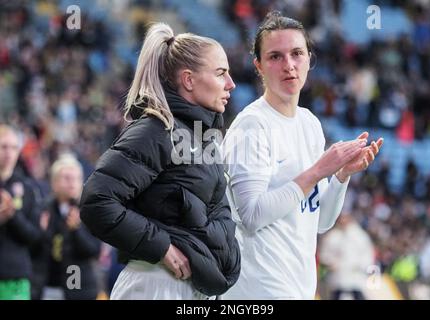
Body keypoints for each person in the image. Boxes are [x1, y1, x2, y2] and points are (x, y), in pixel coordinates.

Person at [221, 11, 383, 300]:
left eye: (297, 53)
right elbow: (251, 216)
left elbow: (320, 221)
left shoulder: (309, 124)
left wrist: (341, 176)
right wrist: (318, 171)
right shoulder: (252, 126)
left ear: (309, 58)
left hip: (299, 288)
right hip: (257, 291)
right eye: (275, 57)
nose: (289, 65)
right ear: (258, 65)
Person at [80, 22, 240, 300]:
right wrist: (161, 247)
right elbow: (97, 202)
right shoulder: (155, 129)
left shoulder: (204, 137)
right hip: (155, 284)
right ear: (188, 80)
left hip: (190, 288)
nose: (231, 84)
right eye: (220, 73)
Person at [31, 155, 101, 300]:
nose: (72, 183)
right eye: (67, 178)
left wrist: (76, 230)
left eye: (76, 178)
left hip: (77, 285)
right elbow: (32, 249)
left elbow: (94, 251)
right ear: (54, 183)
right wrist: (40, 232)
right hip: (47, 285)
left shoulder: (89, 211)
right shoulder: (42, 209)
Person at [0, 124, 41, 300]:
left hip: (15, 276)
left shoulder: (28, 188)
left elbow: (34, 236)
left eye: (14, 147)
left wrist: (12, 215)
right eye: (3, 146)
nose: (9, 152)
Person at [319, 212, 375, 300]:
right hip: (337, 278)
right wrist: (330, 263)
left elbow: (367, 255)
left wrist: (360, 266)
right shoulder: (332, 236)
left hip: (356, 278)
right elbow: (324, 254)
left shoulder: (360, 236)